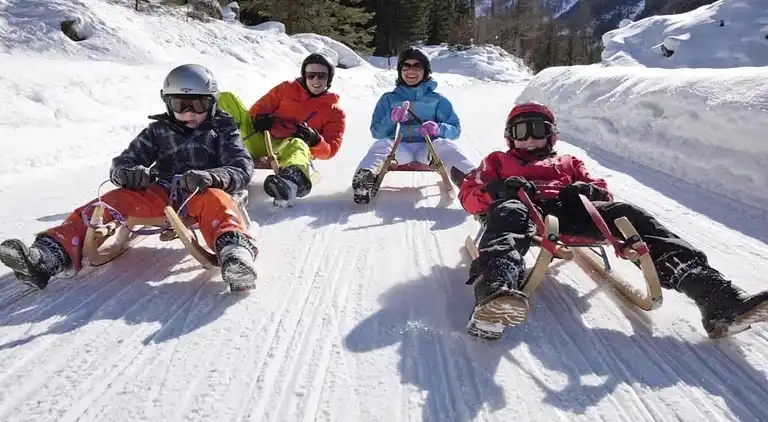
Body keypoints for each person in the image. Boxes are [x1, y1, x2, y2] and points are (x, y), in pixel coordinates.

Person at [458, 101, 768, 340]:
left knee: (627, 214)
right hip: (522, 210)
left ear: (551, 135)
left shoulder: (568, 162)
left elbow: (602, 191)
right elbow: (469, 195)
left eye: (537, 131)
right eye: (520, 132)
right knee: (509, 211)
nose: (529, 139)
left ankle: (718, 301)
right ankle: (495, 291)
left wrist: (588, 190)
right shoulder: (497, 161)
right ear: (509, 137)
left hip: (571, 211)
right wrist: (496, 189)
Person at [0, 64, 259, 291]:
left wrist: (213, 177)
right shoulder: (157, 131)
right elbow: (125, 161)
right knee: (112, 202)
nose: (189, 112)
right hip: (162, 193)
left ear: (212, 103)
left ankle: (235, 256)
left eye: (198, 105)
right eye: (180, 105)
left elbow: (242, 166)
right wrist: (128, 173)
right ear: (167, 104)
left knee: (219, 204)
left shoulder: (223, 130)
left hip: (202, 192)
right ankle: (48, 255)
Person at [351, 47, 477, 204]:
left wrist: (438, 128)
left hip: (428, 149)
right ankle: (364, 180)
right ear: (400, 70)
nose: (411, 70)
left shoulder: (437, 100)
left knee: (445, 145)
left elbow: (455, 130)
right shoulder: (389, 99)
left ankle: (473, 181)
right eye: (406, 66)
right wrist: (392, 119)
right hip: (400, 148)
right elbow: (377, 132)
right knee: (382, 145)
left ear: (425, 71)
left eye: (417, 66)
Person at [218, 53, 346, 204]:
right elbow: (257, 109)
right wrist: (261, 118)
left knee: (298, 143)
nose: (316, 80)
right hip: (262, 139)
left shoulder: (335, 112)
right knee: (227, 98)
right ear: (304, 76)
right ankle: (206, 141)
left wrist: (315, 140)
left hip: (288, 151)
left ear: (329, 79)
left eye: (322, 76)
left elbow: (330, 150)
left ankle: (290, 183)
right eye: (311, 75)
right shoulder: (286, 89)